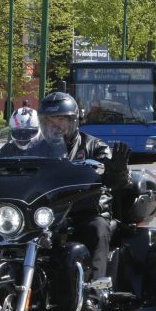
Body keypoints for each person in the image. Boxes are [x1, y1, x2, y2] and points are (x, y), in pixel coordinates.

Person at [36, 91, 132, 287]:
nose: (56, 124)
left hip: (84, 212)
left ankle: (95, 294)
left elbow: (113, 182)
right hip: (45, 214)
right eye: (50, 119)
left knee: (97, 229)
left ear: (73, 121)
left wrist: (117, 170)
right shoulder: (34, 148)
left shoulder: (93, 145)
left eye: (61, 119)